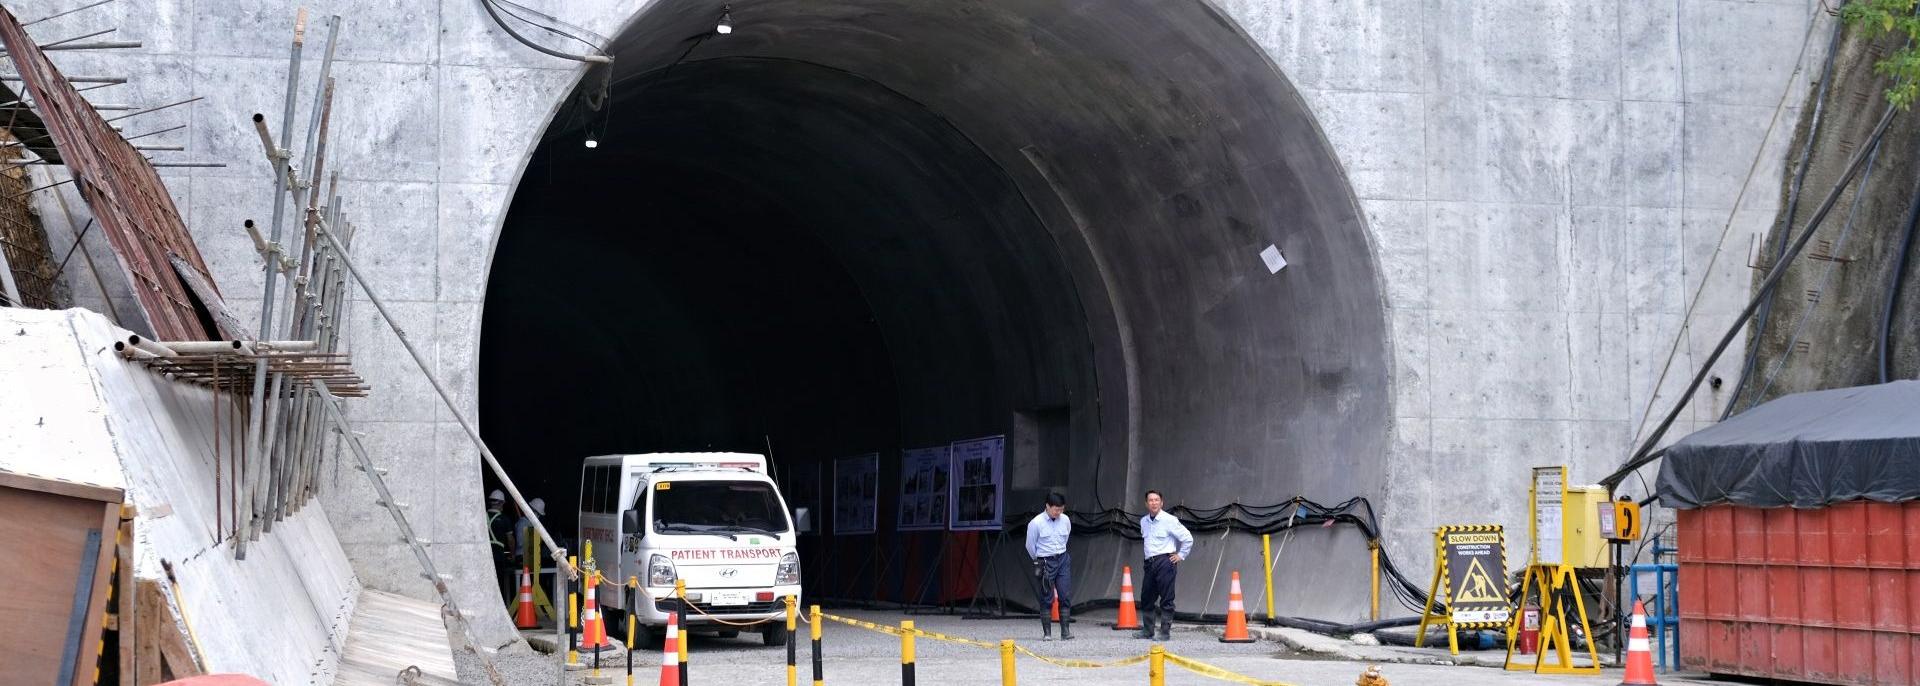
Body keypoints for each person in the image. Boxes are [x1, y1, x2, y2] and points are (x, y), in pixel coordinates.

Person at [1134, 489, 1192, 641]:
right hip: (1149, 563)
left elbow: (1187, 538)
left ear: (1161, 502)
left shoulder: (1169, 520)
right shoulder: (1144, 521)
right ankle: (1147, 630)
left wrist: (1181, 555)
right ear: (1146, 503)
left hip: (1165, 562)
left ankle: (1164, 632)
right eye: (1151, 500)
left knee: (1166, 598)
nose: (1153, 503)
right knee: (1146, 597)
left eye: (1156, 500)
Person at [1025, 492, 1073, 640]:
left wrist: (1058, 553)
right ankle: (1047, 633)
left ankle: (1065, 632)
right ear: (1047, 506)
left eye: (1061, 509)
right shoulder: (1036, 523)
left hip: (1062, 559)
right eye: (1056, 509)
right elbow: (1030, 546)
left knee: (1064, 595)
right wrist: (1038, 560)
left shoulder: (1065, 520)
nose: (1059, 513)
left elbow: (1066, 537)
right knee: (1047, 597)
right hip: (1045, 561)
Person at [487, 490, 515, 604]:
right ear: (501, 503)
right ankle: (499, 606)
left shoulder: (480, 517)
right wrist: (512, 555)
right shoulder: (504, 519)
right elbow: (510, 540)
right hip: (498, 556)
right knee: (498, 583)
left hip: (484, 556)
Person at [513, 497, 545, 569]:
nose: (538, 516)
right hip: (522, 557)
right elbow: (520, 542)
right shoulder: (522, 523)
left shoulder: (532, 524)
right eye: (538, 514)